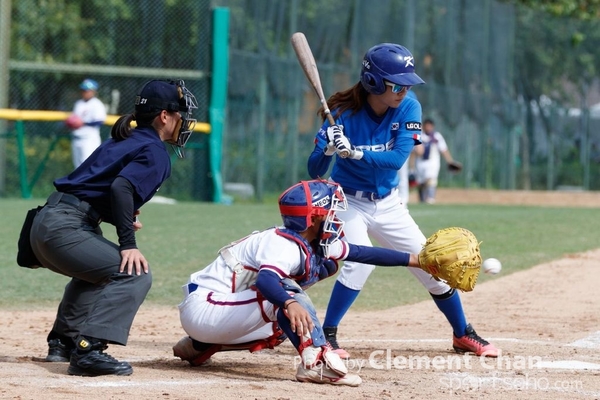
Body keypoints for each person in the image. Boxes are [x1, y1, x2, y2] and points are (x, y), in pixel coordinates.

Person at [307, 43, 498, 360]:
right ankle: (327, 337)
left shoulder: (409, 108)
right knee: (358, 263)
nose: (404, 89)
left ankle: (462, 333)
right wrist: (326, 149)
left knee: (433, 265)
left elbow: (396, 160)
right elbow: (314, 171)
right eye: (397, 83)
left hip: (389, 204)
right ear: (374, 83)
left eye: (407, 83)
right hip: (347, 203)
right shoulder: (341, 113)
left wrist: (355, 152)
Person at [173, 179, 430, 387]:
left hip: (217, 312)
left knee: (297, 308)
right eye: (330, 211)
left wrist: (418, 260)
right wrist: (288, 302)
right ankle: (316, 363)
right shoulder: (283, 244)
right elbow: (266, 280)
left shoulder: (309, 242)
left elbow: (363, 253)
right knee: (287, 297)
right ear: (314, 218)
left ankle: (200, 345)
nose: (335, 217)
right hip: (206, 307)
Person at [30, 79, 198, 376]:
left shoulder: (124, 138)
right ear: (163, 116)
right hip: (65, 228)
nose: (183, 121)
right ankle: (89, 350)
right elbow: (122, 188)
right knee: (133, 273)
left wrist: (119, 215)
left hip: (46, 223)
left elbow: (97, 189)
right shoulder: (155, 150)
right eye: (179, 114)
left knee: (98, 273)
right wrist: (128, 243)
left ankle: (63, 342)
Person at [413, 118, 461, 204]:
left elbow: (444, 150)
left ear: (432, 126)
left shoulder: (436, 136)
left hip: (432, 162)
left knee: (431, 179)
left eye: (429, 125)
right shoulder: (419, 135)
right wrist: (411, 166)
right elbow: (413, 152)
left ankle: (431, 198)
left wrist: (450, 161)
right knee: (421, 182)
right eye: (426, 125)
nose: (428, 127)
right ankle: (422, 200)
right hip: (420, 162)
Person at [66, 79, 108, 168]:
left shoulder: (97, 104)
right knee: (77, 168)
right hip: (76, 138)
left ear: (93, 91)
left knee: (87, 167)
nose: (84, 92)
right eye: (83, 90)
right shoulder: (78, 103)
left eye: (86, 90)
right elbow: (75, 119)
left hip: (89, 140)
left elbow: (100, 121)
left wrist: (83, 123)